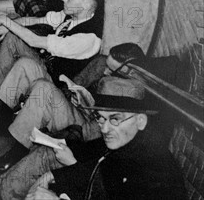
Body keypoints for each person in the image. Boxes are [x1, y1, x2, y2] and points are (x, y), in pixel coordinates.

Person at [0, 0, 104, 170]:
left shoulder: (87, 39)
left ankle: (16, 153)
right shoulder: (72, 14)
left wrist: (6, 22)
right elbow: (39, 20)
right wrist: (9, 22)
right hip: (48, 67)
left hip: (58, 84)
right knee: (22, 59)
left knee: (23, 52)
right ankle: (0, 119)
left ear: (85, 6)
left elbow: (35, 40)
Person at [25, 77, 186, 200]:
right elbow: (96, 157)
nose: (105, 128)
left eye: (115, 119)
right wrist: (53, 175)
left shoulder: (155, 170)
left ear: (140, 121)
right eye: (101, 118)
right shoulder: (130, 140)